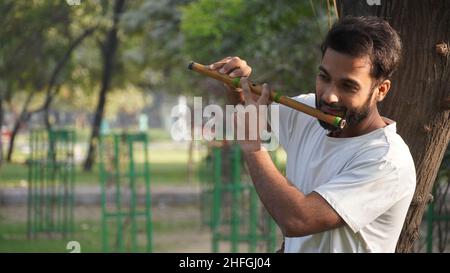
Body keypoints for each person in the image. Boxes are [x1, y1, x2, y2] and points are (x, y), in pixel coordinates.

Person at [208, 16, 416, 253]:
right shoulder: (307, 113)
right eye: (324, 77)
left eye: (348, 86)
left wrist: (252, 145)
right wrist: (238, 91)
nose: (329, 96)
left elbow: (298, 220)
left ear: (380, 90)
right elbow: (250, 114)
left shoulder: (387, 161)